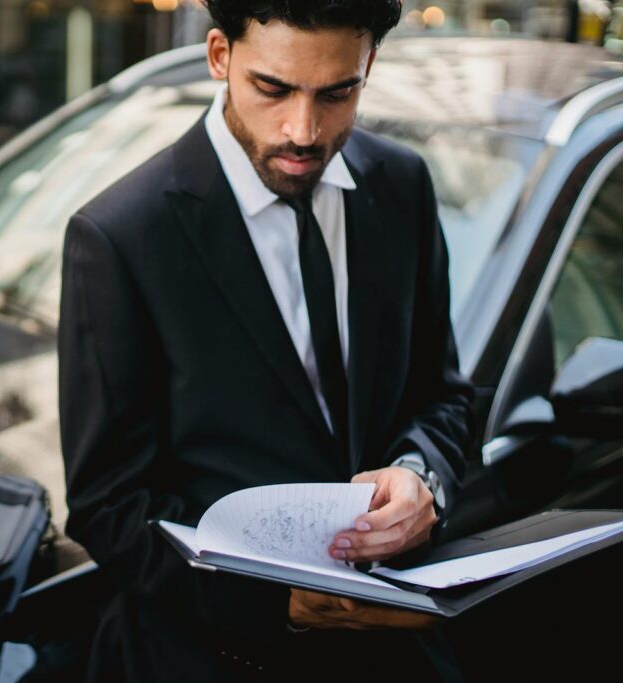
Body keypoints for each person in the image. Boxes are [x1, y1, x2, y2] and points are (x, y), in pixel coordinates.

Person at [58, 1, 474, 680]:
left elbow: (445, 394)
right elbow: (110, 505)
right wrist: (275, 603)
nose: (303, 130)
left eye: (337, 93)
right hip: (210, 654)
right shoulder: (121, 237)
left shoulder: (402, 187)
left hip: (395, 649)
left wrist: (420, 476)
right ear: (220, 55)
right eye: (273, 89)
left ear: (367, 65)